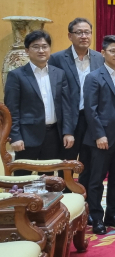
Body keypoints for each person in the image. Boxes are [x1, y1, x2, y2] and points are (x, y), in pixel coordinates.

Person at [4, 30, 76, 176]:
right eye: (36, 47)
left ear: (50, 49)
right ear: (27, 50)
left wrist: (68, 132)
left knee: (48, 180)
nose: (41, 50)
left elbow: (66, 106)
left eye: (45, 46)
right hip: (26, 137)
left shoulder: (59, 74)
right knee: (22, 179)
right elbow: (11, 110)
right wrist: (15, 137)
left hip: (53, 136)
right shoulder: (16, 75)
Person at [49, 17, 104, 198]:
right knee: (67, 165)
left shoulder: (99, 58)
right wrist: (66, 129)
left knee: (89, 163)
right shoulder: (57, 59)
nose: (84, 36)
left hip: (92, 120)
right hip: (69, 121)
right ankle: (64, 204)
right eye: (79, 32)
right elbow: (56, 96)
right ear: (69, 36)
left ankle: (85, 203)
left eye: (87, 32)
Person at [83, 35, 115, 234]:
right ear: (103, 53)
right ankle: (96, 217)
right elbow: (90, 109)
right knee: (96, 180)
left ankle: (112, 214)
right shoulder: (94, 77)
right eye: (113, 51)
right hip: (102, 137)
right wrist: (99, 135)